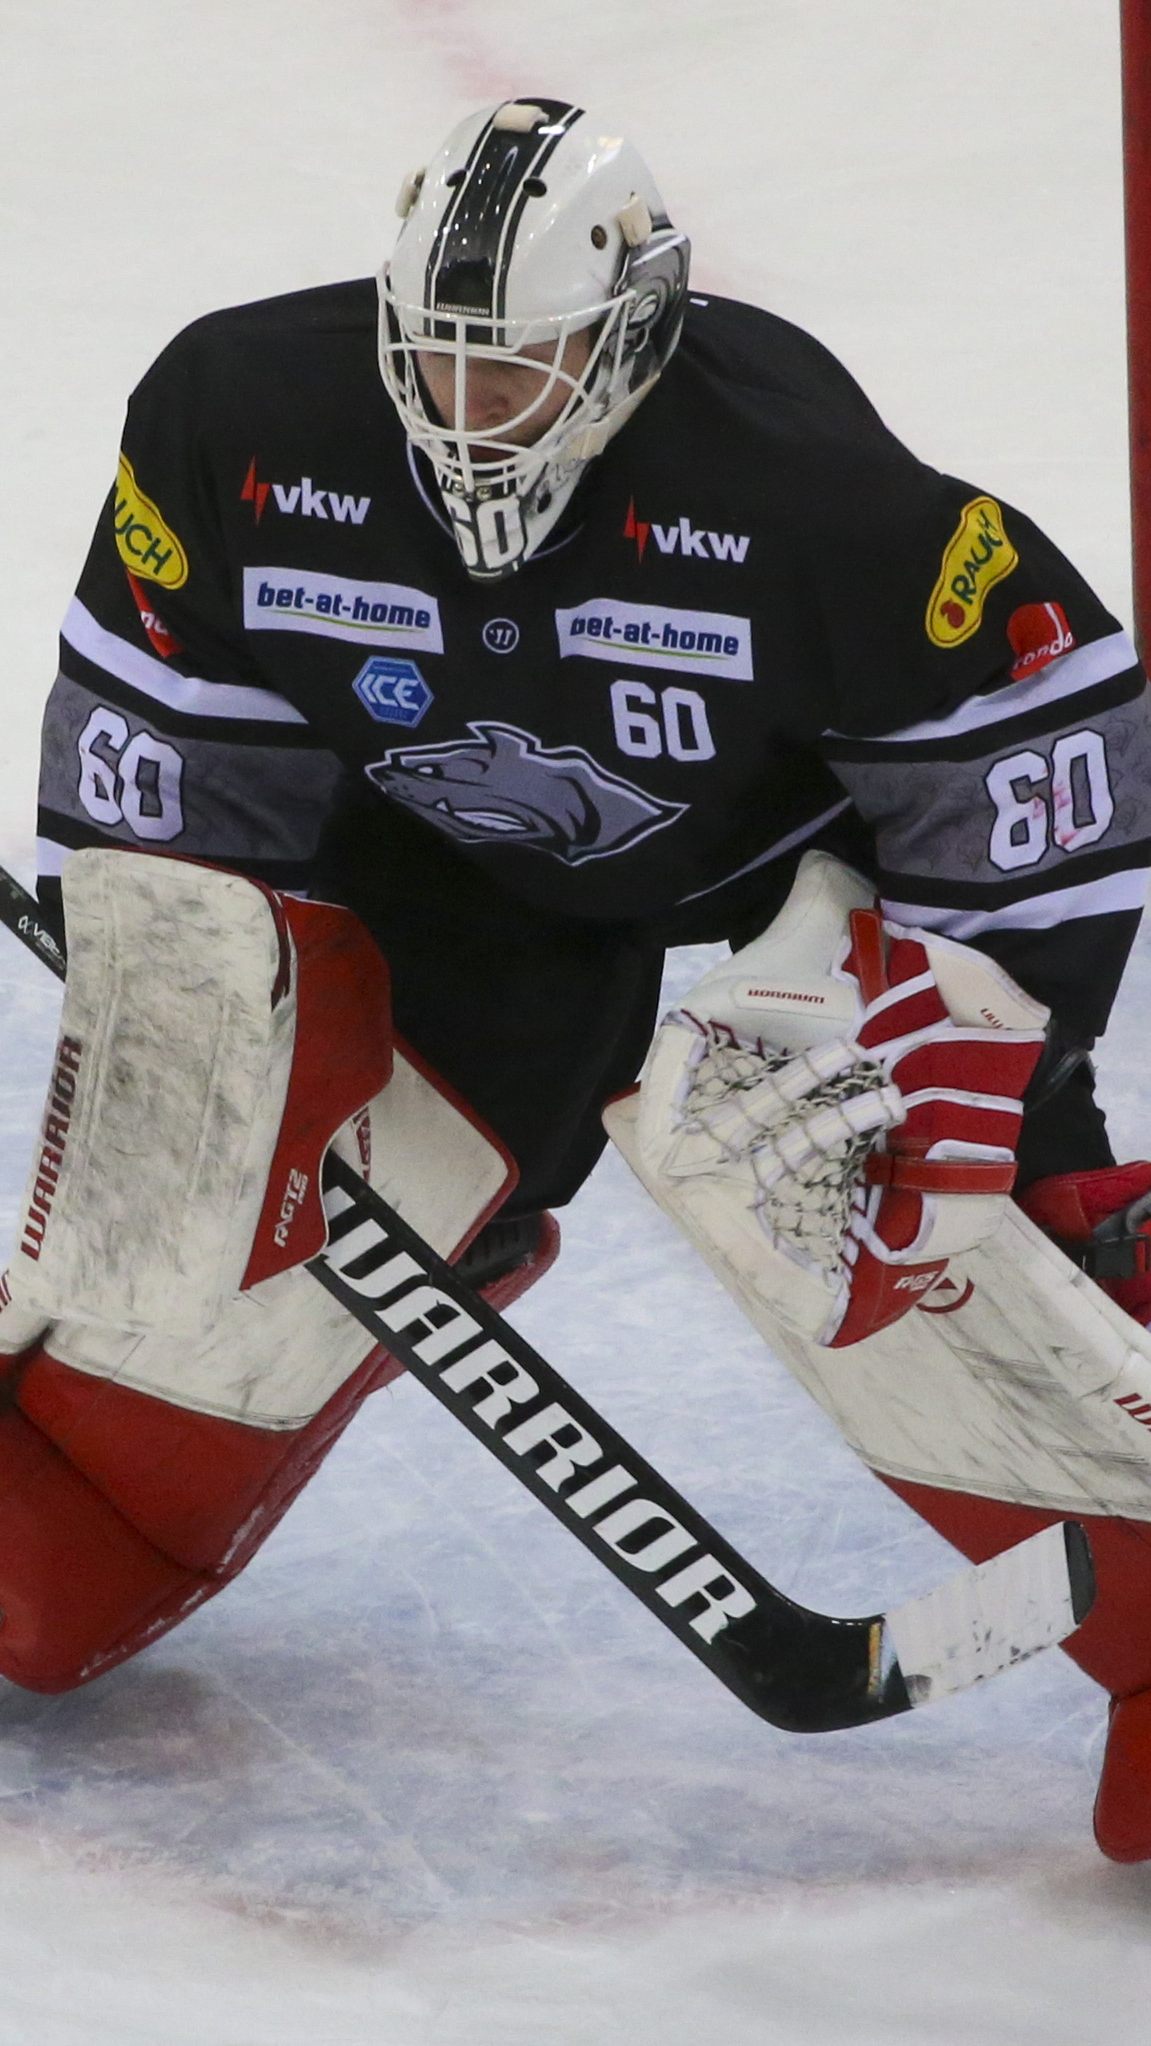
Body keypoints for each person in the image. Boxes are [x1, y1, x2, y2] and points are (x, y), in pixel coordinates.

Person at [6, 95, 1151, 1850]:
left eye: (518, 370)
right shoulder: (239, 424)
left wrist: (976, 1029)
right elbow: (166, 758)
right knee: (196, 1164)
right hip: (450, 880)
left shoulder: (798, 493)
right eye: (440, 363)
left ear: (624, 343)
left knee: (855, 1167)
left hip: (792, 879)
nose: (468, 413)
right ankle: (72, 1480)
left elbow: (1041, 736)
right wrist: (208, 1019)